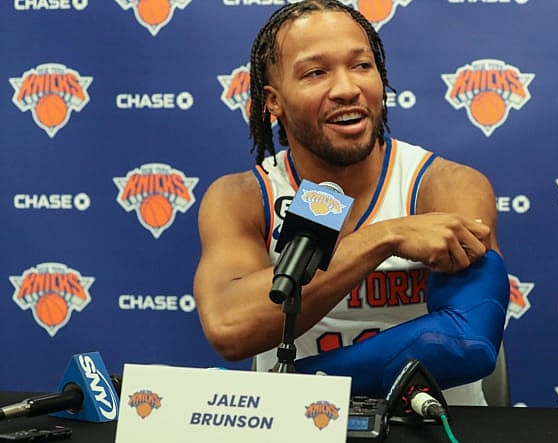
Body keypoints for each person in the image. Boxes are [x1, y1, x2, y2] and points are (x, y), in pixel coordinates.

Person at [193, 0, 509, 406]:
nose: (346, 89)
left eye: (361, 66)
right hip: (301, 427)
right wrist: (384, 237)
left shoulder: (444, 186)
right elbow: (230, 328)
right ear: (273, 101)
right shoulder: (243, 198)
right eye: (316, 73)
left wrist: (292, 386)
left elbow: (463, 342)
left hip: (433, 424)